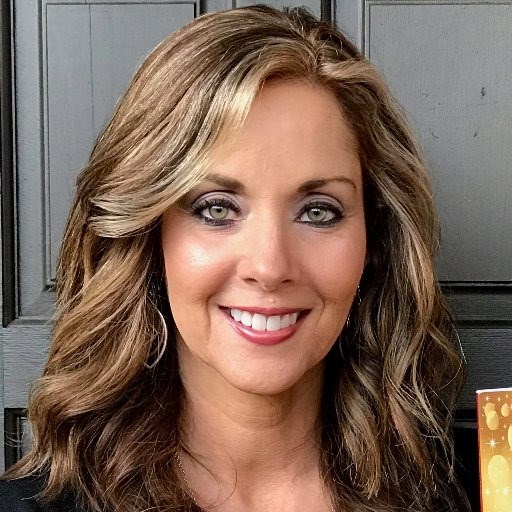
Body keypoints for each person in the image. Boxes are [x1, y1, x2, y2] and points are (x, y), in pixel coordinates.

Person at [0, 5, 469, 512]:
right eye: (217, 209)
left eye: (318, 211)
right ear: (149, 233)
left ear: (375, 241)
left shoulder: (481, 487)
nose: (269, 267)